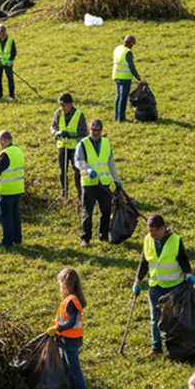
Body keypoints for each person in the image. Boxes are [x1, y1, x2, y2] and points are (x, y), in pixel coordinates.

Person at [132, 214, 194, 356]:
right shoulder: (148, 240)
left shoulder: (175, 240)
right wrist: (137, 281)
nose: (151, 234)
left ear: (162, 229)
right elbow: (144, 262)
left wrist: (188, 275)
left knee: (173, 318)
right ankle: (156, 347)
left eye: (154, 231)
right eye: (149, 231)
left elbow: (183, 260)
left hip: (173, 286)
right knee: (155, 317)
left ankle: (174, 347)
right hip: (155, 285)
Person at [74, 119, 123, 247]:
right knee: (87, 212)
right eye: (93, 130)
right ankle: (85, 238)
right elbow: (78, 161)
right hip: (89, 183)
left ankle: (104, 235)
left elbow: (111, 163)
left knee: (106, 211)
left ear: (101, 130)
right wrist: (87, 170)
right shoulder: (83, 144)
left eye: (98, 130)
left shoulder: (106, 143)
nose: (95, 133)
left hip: (104, 183)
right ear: (89, 130)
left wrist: (117, 180)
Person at [46, 267, 88, 389]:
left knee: (74, 370)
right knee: (67, 369)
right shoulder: (69, 300)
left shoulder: (71, 301)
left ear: (66, 284)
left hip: (70, 341)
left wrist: (58, 328)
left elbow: (70, 321)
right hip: (64, 340)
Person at [51, 93, 88, 201]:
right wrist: (56, 133)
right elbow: (53, 126)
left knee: (77, 170)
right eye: (60, 105)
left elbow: (83, 133)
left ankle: (80, 193)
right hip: (62, 146)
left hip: (75, 148)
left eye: (63, 105)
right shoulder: (58, 113)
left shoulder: (79, 115)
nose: (61, 107)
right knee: (63, 170)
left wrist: (72, 135)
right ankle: (64, 192)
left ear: (70, 104)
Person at [113, 36, 142, 122]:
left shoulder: (118, 49)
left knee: (118, 96)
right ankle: (121, 118)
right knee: (123, 98)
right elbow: (131, 66)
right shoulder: (128, 52)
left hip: (116, 75)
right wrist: (138, 78)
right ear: (130, 43)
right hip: (125, 77)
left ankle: (117, 117)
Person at [0, 24, 16, 100]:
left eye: (3, 32)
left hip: (8, 63)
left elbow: (13, 52)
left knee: (10, 79)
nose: (1, 34)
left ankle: (11, 96)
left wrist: (10, 60)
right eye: (0, 32)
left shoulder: (11, 40)